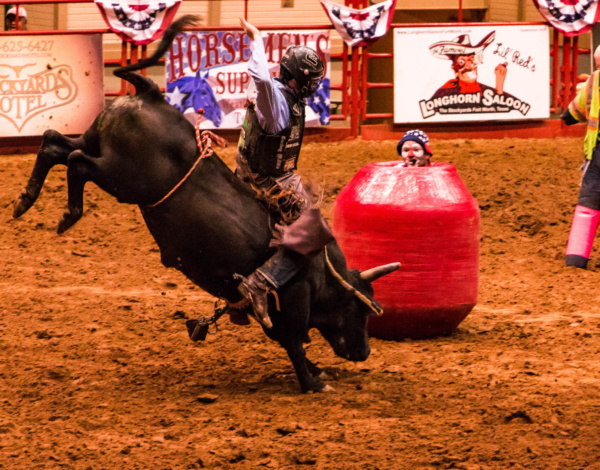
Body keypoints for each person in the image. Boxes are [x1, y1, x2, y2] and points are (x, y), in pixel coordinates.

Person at [234, 17, 333, 328]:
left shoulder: (278, 94)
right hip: (270, 180)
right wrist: (257, 39)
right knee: (314, 231)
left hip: (248, 168)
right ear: (298, 79)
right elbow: (261, 79)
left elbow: (263, 80)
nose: (315, 86)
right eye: (312, 80)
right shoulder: (275, 102)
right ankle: (261, 282)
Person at [561, 44, 600, 269]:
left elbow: (571, 114)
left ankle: (576, 258)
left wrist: (567, 118)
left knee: (588, 205)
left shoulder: (594, 80)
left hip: (597, 153)